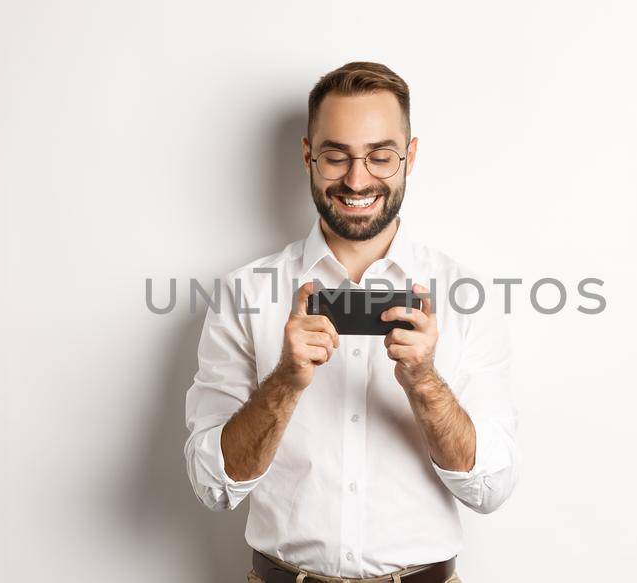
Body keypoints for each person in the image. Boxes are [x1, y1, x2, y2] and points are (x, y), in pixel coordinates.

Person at [183, 61, 519, 583]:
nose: (357, 179)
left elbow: (490, 490)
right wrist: (285, 383)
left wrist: (425, 384)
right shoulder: (244, 293)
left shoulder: (465, 296)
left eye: (380, 157)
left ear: (409, 157)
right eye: (336, 156)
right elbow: (213, 488)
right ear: (307, 156)